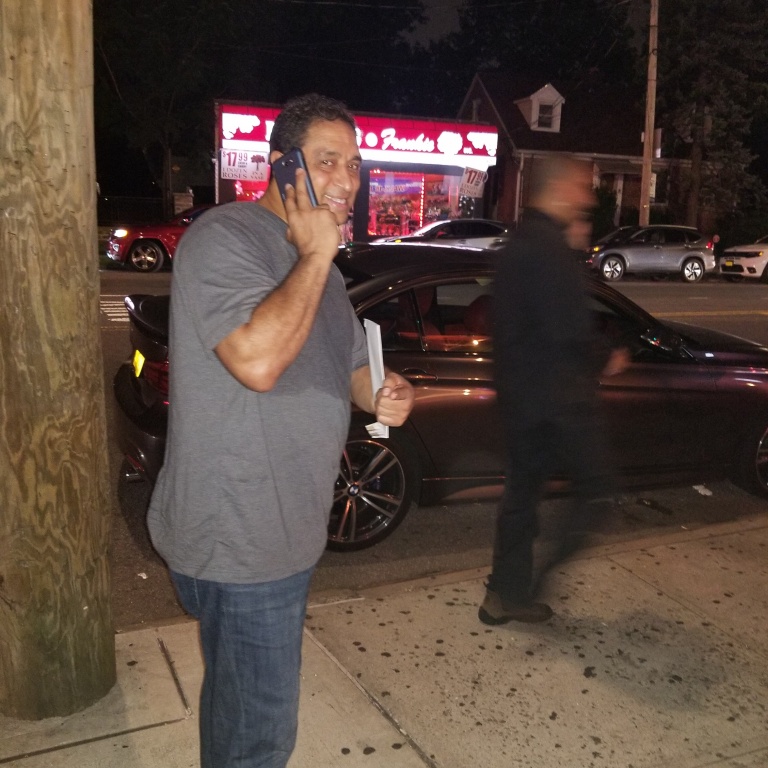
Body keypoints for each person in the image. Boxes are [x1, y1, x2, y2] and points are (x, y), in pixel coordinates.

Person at [147, 93, 414, 768]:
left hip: (288, 529)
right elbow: (258, 361)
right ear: (281, 165)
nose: (348, 180)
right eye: (327, 161)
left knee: (237, 707)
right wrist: (316, 256)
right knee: (260, 740)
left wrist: (385, 391)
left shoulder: (323, 273)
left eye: (354, 164)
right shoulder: (226, 237)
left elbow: (353, 368)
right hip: (241, 535)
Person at [479, 155, 629, 626]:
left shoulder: (524, 241)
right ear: (559, 189)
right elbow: (568, 327)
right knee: (598, 494)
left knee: (521, 498)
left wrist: (572, 252)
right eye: (583, 187)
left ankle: (504, 593)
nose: (588, 198)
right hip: (556, 402)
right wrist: (608, 356)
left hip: (522, 398)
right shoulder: (548, 250)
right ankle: (529, 586)